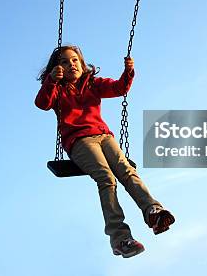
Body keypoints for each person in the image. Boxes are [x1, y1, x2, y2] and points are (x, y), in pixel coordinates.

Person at [35, 45, 175, 258]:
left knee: (127, 171)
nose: (70, 64)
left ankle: (153, 212)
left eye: (74, 60)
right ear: (57, 69)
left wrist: (128, 72)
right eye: (64, 62)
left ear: (82, 64)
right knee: (106, 178)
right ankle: (120, 238)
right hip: (79, 140)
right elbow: (42, 104)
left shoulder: (93, 84)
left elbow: (120, 88)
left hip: (104, 136)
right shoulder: (58, 89)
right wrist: (52, 81)